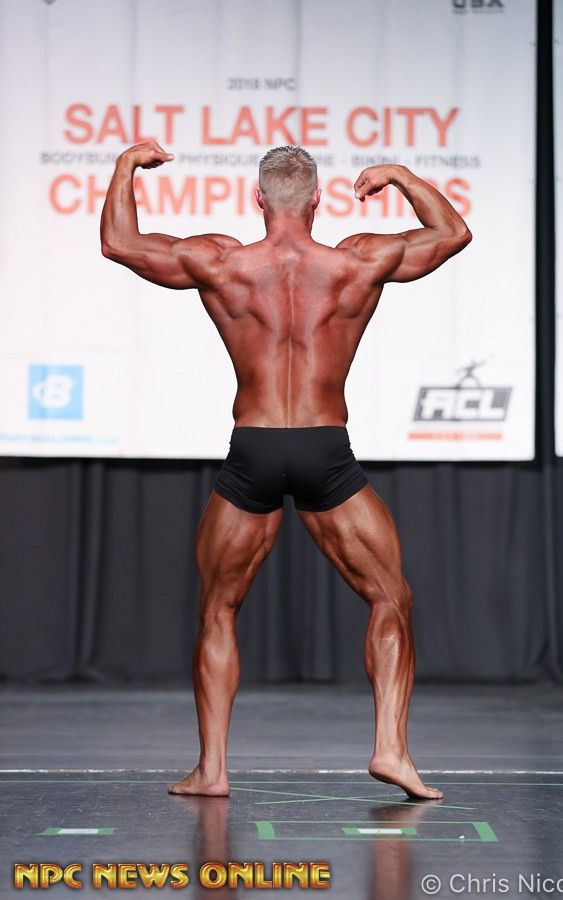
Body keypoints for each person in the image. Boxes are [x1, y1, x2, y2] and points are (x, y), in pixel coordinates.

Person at [100, 143, 472, 800]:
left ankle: (212, 769)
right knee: (391, 598)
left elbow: (119, 244)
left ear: (258, 199)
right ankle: (391, 750)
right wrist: (401, 176)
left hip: (255, 450)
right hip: (325, 449)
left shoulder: (221, 262)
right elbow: (452, 234)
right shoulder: (357, 261)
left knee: (218, 608)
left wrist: (128, 164)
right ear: (319, 199)